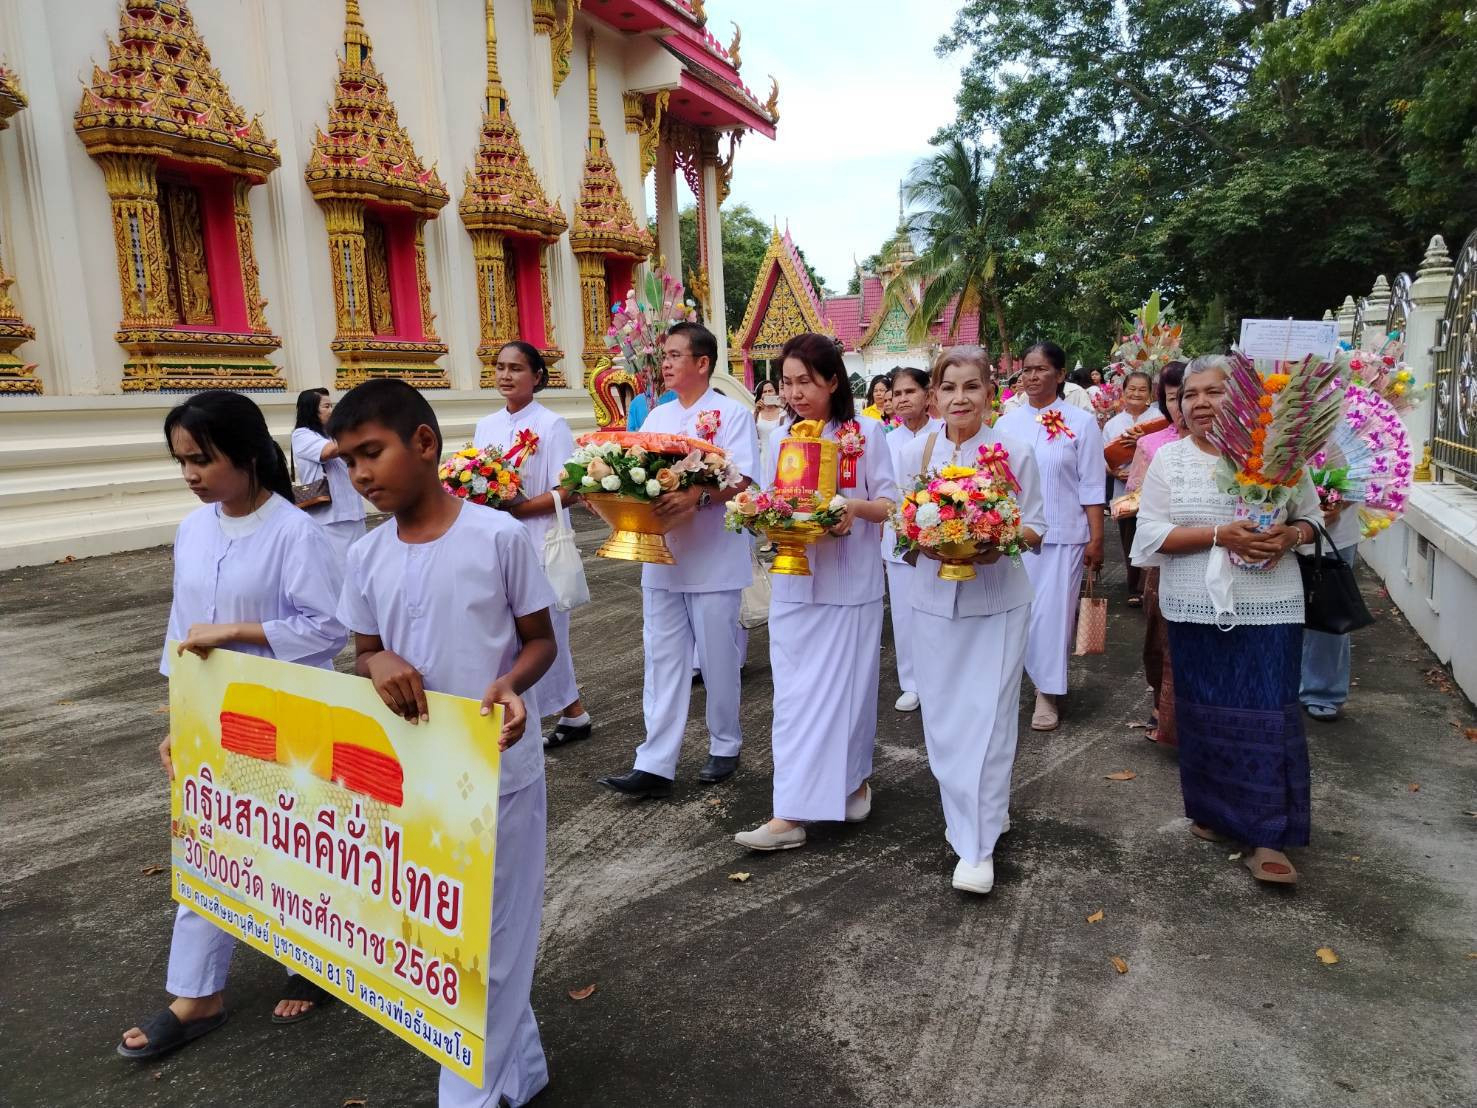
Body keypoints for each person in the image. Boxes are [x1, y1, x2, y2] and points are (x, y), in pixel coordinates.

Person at [330, 378, 557, 1106]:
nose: (360, 475)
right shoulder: (366, 555)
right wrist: (379, 664)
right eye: (348, 461)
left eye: (372, 452)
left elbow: (539, 640)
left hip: (498, 763)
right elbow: (365, 651)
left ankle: (467, 1096)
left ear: (424, 443)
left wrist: (510, 683)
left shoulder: (497, 537)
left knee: (491, 941)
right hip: (414, 773)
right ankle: (521, 1070)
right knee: (448, 935)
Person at [120, 391, 347, 1060]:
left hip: (287, 716)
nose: (191, 474)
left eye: (202, 459)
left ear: (246, 455)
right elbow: (181, 631)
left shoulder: (296, 533)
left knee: (294, 844)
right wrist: (179, 719)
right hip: (210, 717)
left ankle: (311, 960)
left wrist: (240, 631)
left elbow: (329, 627)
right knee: (206, 843)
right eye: (182, 462)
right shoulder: (193, 530)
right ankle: (197, 994)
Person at [1130, 355, 1320, 886]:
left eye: (1213, 392)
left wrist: (1290, 535)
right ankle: (1214, 812)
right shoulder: (1170, 460)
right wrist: (1219, 534)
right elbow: (1149, 537)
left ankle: (1268, 835)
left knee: (1268, 714)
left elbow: (1311, 519)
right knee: (1203, 712)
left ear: (1242, 399)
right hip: (1194, 607)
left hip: (1270, 607)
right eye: (1189, 395)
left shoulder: (1280, 455)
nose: (1199, 404)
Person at [734, 333, 897, 851]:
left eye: (805, 381)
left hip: (850, 587)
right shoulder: (782, 434)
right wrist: (756, 513)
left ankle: (853, 784)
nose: (794, 393)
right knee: (796, 701)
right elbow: (771, 496)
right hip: (794, 584)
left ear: (832, 381)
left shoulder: (866, 432)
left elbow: (889, 503)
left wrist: (852, 507)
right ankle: (790, 813)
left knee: (849, 696)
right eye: (786, 382)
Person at [896, 347, 1046, 893]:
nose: (960, 398)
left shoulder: (1015, 452)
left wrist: (995, 541)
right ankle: (980, 813)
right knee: (943, 721)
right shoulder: (914, 453)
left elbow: (1036, 528)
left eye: (971, 386)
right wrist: (924, 539)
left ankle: (976, 846)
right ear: (933, 396)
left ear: (990, 392)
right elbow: (900, 530)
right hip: (932, 602)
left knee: (990, 719)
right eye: (949, 387)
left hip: (998, 602)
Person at [599, 322, 758, 798]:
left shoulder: (732, 414)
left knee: (717, 658)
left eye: (674, 355)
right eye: (664, 355)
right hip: (661, 554)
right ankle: (655, 761)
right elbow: (635, 473)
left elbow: (743, 477)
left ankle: (725, 744)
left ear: (702, 363)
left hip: (713, 557)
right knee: (662, 659)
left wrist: (697, 497)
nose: (664, 364)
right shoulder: (657, 416)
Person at [474, 341, 593, 748]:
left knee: (542, 636)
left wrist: (518, 509)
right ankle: (573, 713)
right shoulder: (486, 425)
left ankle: (537, 719)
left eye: (516, 368)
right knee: (510, 636)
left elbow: (571, 488)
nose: (505, 375)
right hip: (497, 543)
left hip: (541, 544)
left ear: (537, 376)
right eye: (500, 367)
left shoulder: (551, 425)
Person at [995, 342, 1105, 731]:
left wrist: (1096, 538)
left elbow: (1092, 485)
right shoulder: (1006, 424)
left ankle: (1047, 691)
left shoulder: (1082, 422)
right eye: (1026, 369)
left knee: (1052, 617)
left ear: (1059, 375)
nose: (1032, 376)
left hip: (1064, 535)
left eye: (1041, 369)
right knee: (1014, 615)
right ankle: (1010, 685)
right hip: (1016, 535)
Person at [1120, 362, 1186, 745]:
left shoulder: (1229, 446)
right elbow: (1135, 497)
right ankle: (1163, 708)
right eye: (1175, 398)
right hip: (1165, 554)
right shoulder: (1152, 443)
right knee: (1160, 639)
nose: (1183, 406)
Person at [880, 366, 941, 712]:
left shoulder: (942, 435)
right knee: (904, 615)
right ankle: (911, 683)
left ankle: (940, 681)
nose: (902, 399)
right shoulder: (886, 440)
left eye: (910, 392)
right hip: (898, 541)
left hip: (940, 538)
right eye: (897, 394)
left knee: (938, 612)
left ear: (927, 395)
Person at [1299, 464, 1364, 722]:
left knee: (1329, 612)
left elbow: (1370, 472)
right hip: (1278, 529)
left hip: (1335, 536)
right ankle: (1279, 680)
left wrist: (1337, 503)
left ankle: (1322, 691)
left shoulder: (1361, 436)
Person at [291, 387, 367, 566]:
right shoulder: (302, 434)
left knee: (360, 566)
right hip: (329, 516)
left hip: (353, 511)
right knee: (340, 570)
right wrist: (354, 430)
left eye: (331, 405)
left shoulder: (332, 435)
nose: (331, 411)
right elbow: (327, 452)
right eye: (326, 406)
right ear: (311, 410)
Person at [1102, 371, 1160, 606]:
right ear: (1123, 391)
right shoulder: (1113, 424)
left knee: (1154, 535)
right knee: (1129, 538)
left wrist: (1142, 443)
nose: (1136, 393)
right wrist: (1114, 472)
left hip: (1153, 489)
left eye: (1142, 389)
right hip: (1124, 491)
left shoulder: (1159, 419)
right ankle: (1134, 587)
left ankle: (1154, 586)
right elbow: (1101, 457)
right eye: (1132, 389)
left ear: (1150, 394)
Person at [753, 377, 786, 479]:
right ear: (760, 395)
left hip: (780, 456)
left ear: (776, 393)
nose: (768, 394)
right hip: (761, 457)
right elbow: (749, 434)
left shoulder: (783, 413)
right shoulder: (755, 413)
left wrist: (782, 404)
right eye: (764, 392)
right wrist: (756, 411)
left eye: (770, 391)